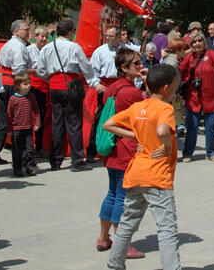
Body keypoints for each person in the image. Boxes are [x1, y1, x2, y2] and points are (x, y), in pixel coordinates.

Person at [103, 63, 183, 270]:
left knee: (128, 223)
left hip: (136, 173)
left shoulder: (138, 106)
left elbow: (109, 124)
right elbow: (163, 130)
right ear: (166, 88)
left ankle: (115, 264)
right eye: (174, 86)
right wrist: (166, 146)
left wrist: (135, 135)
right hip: (157, 176)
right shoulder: (165, 109)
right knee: (166, 228)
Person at [97, 49, 148, 257]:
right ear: (124, 68)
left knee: (112, 193)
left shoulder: (112, 88)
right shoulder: (132, 93)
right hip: (126, 147)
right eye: (135, 64)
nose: (139, 66)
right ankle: (122, 244)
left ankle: (103, 238)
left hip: (111, 147)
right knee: (123, 197)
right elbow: (145, 115)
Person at [36, 18, 96, 171]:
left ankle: (56, 160)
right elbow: (86, 67)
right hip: (70, 86)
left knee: (57, 123)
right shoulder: (74, 47)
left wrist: (51, 78)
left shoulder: (48, 48)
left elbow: (40, 70)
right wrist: (92, 81)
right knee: (74, 123)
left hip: (54, 86)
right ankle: (77, 160)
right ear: (70, 31)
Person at [0, 19, 34, 165]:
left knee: (3, 119)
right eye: (26, 30)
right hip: (12, 84)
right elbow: (19, 69)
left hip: (5, 83)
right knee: (17, 120)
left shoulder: (9, 44)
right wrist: (35, 72)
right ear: (16, 31)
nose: (29, 33)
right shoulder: (18, 47)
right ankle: (20, 156)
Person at [179, 31, 214, 162]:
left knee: (210, 126)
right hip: (194, 97)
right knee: (192, 126)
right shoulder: (189, 57)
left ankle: (211, 152)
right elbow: (181, 69)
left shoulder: (211, 54)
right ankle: (188, 153)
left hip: (211, 97)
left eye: (200, 40)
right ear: (191, 44)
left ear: (204, 42)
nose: (197, 43)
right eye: (194, 41)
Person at [88, 26, 124, 162]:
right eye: (107, 35)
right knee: (100, 118)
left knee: (121, 118)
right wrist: (96, 84)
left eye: (111, 36)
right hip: (106, 87)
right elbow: (92, 71)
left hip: (121, 86)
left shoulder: (125, 50)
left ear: (118, 36)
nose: (107, 38)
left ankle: (118, 148)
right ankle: (92, 150)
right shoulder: (100, 51)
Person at [6, 71, 40, 177]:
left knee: (30, 149)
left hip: (28, 128)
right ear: (17, 86)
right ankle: (17, 168)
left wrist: (37, 123)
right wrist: (9, 130)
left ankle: (30, 166)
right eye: (25, 84)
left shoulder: (31, 97)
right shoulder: (13, 99)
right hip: (17, 129)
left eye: (29, 83)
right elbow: (9, 115)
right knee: (17, 149)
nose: (28, 86)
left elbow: (36, 110)